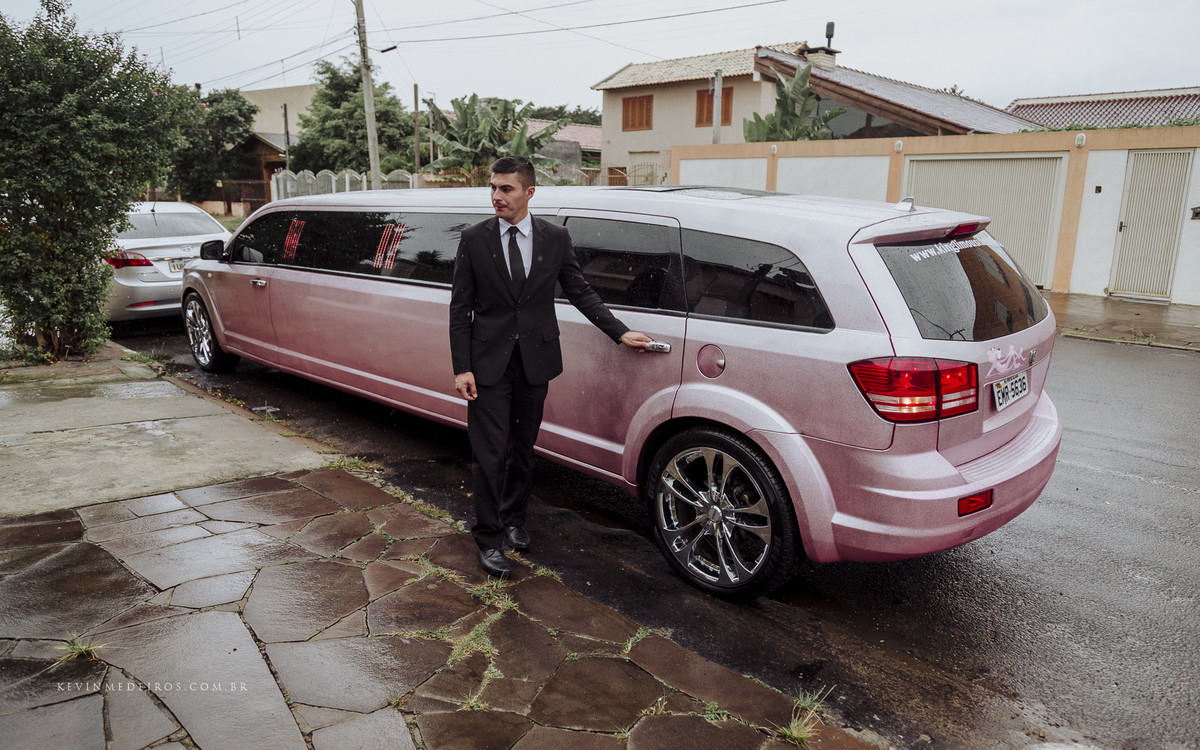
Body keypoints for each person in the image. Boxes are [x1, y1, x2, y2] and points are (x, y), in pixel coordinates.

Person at [449, 156, 653, 578]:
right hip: (487, 364)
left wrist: (619, 331)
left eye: (505, 189)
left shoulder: (555, 238)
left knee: (523, 450)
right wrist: (462, 367)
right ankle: (488, 539)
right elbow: (460, 308)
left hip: (535, 362)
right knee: (489, 455)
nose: (496, 196)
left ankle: (514, 520)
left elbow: (580, 290)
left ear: (529, 192)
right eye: (492, 188)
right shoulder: (474, 238)